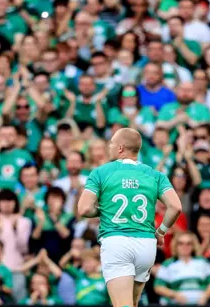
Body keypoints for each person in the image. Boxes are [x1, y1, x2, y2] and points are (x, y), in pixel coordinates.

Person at [77, 128, 183, 307]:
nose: (109, 146)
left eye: (111, 143)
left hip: (117, 242)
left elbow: (84, 208)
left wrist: (103, 210)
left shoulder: (101, 172)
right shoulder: (155, 175)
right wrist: (161, 231)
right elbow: (176, 207)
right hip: (147, 245)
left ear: (120, 148)